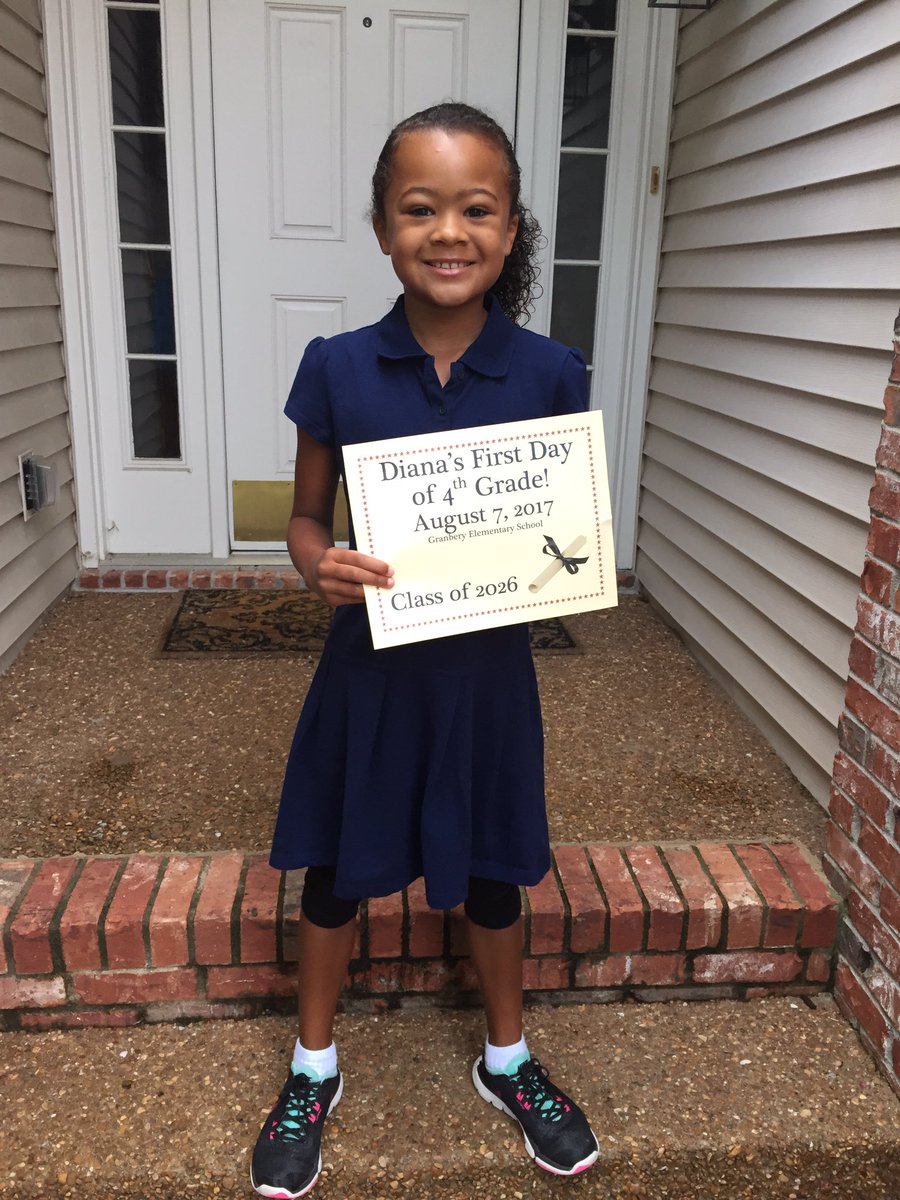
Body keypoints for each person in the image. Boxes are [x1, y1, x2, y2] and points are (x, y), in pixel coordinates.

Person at [250, 102, 600, 1200]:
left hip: (486, 681)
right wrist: (317, 562)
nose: (448, 232)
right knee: (332, 876)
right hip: (371, 674)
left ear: (509, 228)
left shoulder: (551, 372)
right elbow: (304, 518)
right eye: (419, 210)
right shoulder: (338, 368)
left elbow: (563, 530)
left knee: (493, 875)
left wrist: (565, 563)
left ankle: (508, 1059)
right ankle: (313, 1068)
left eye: (476, 210)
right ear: (381, 227)